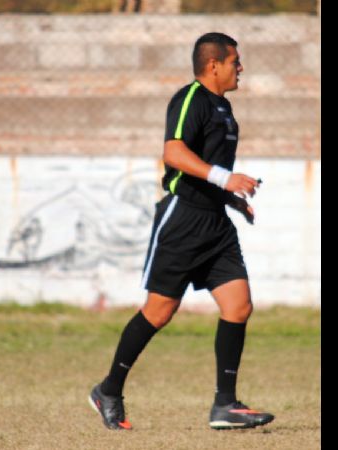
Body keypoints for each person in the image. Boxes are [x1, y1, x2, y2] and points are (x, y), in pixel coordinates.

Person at [89, 32, 275, 431]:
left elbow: (207, 169)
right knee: (159, 311)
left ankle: (225, 406)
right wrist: (226, 179)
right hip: (183, 221)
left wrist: (233, 200)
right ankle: (109, 389)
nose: (240, 68)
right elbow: (173, 153)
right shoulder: (191, 98)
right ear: (214, 65)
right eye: (235, 61)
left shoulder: (225, 109)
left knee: (238, 305)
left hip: (215, 224)